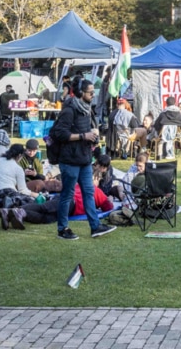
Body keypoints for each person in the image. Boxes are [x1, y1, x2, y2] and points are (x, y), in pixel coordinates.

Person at [50, 79, 115, 240]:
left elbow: (87, 132)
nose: (93, 95)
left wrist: (92, 139)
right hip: (70, 160)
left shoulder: (87, 110)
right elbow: (59, 133)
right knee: (67, 194)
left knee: (89, 192)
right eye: (90, 92)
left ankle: (95, 227)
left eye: (94, 92)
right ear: (80, 92)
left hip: (85, 159)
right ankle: (62, 228)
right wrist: (82, 136)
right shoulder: (69, 110)